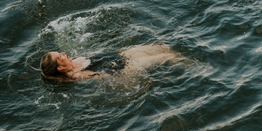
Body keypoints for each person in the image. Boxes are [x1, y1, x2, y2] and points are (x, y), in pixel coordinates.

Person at [40, 44, 179, 82]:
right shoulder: (76, 75)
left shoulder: (74, 61)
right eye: (60, 56)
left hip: (119, 56)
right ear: (60, 67)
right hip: (125, 68)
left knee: (163, 47)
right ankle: (194, 69)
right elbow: (103, 77)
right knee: (166, 57)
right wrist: (129, 77)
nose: (63, 53)